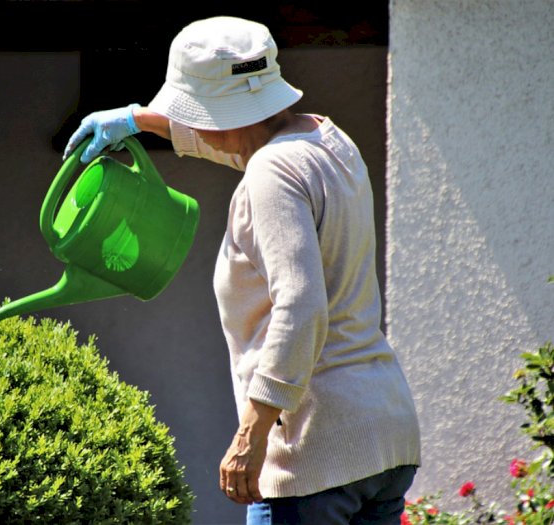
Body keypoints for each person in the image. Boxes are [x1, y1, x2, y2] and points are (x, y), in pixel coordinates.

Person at [63, 16, 421, 525]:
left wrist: (252, 436)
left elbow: (300, 306)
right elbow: (246, 143)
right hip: (383, 433)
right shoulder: (327, 140)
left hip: (313, 451)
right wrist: (141, 119)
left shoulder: (271, 174)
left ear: (215, 112)